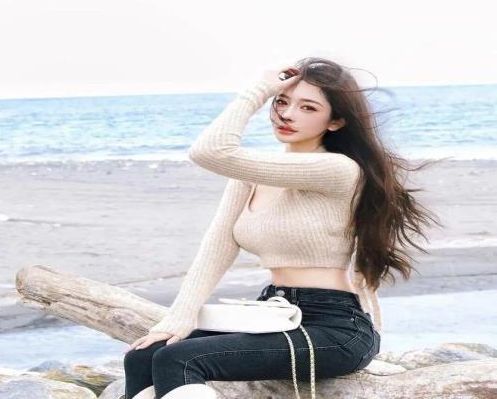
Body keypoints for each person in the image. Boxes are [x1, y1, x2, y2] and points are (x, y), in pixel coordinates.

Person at [123, 57, 442, 399]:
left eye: (308, 107)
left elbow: (208, 151)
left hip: (335, 325)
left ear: (335, 121)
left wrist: (256, 92)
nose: (287, 114)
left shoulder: (338, 169)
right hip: (273, 312)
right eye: (281, 102)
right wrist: (178, 318)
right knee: (143, 356)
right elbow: (217, 248)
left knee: (180, 359)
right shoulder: (252, 175)